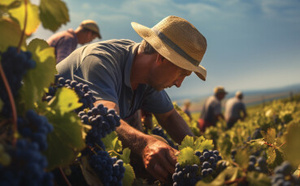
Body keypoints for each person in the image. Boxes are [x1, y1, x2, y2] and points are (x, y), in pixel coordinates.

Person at [56, 15, 207, 183]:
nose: (179, 83)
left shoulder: (147, 77)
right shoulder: (100, 61)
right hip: (44, 150)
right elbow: (107, 119)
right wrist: (145, 144)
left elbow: (170, 117)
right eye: (181, 73)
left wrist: (200, 155)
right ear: (162, 58)